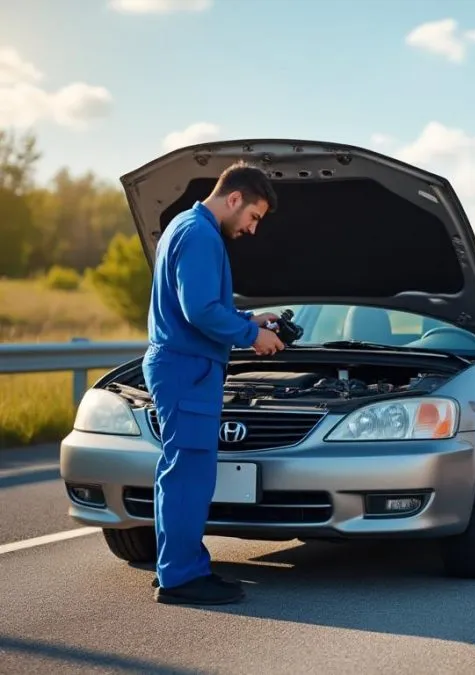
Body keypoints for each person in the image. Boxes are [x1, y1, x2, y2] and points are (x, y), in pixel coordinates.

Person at [143, 161, 284, 605]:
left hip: (182, 365)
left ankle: (174, 565)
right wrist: (252, 336)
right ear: (235, 198)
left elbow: (201, 305)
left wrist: (248, 318)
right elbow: (199, 310)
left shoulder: (183, 227)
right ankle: (182, 578)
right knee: (189, 476)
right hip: (187, 368)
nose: (253, 229)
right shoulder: (202, 235)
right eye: (254, 217)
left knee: (179, 472)